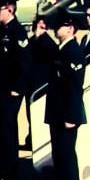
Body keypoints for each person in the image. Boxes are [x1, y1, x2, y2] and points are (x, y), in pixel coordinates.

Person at [0, 0, 31, 180]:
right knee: (1, 129)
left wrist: (18, 88)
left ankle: (10, 169)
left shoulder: (17, 32)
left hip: (11, 90)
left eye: (0, 9)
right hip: (0, 88)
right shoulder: (3, 29)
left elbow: (24, 63)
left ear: (10, 10)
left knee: (8, 129)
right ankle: (4, 166)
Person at [45, 15, 87, 180]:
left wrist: (71, 116)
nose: (57, 29)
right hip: (57, 112)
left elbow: (75, 87)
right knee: (59, 156)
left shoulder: (73, 51)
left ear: (71, 29)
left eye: (61, 26)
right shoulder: (60, 50)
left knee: (67, 156)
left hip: (67, 115)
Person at [24, 15, 57, 149]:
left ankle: (37, 140)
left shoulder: (48, 43)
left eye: (41, 25)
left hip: (41, 84)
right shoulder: (31, 41)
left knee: (39, 114)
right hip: (30, 83)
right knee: (29, 113)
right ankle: (31, 137)